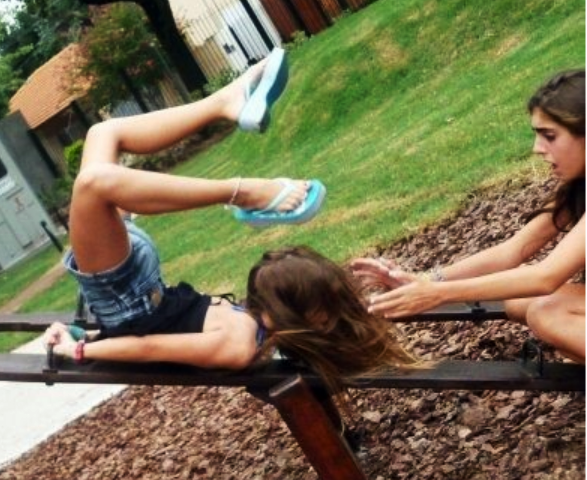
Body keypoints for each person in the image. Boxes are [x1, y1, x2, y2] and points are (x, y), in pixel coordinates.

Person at [43, 48, 419, 391]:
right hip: (141, 286)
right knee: (103, 133)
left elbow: (151, 346)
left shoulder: (240, 346)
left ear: (302, 317)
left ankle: (242, 190)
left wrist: (80, 349)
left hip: (126, 300)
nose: (267, 266)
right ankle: (223, 102)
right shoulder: (253, 327)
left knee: (93, 182)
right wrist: (389, 283)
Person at [352, 69, 585, 363]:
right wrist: (423, 281)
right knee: (519, 303)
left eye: (549, 136)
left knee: (547, 314)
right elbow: (513, 250)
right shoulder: (579, 186)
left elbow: (545, 277)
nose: (537, 149)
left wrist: (438, 294)